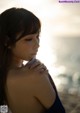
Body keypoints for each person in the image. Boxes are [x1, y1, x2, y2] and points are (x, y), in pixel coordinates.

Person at [0, 7, 65, 113]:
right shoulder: (35, 75)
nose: (37, 45)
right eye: (29, 39)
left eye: (37, 37)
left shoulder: (3, 75)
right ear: (7, 41)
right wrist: (46, 76)